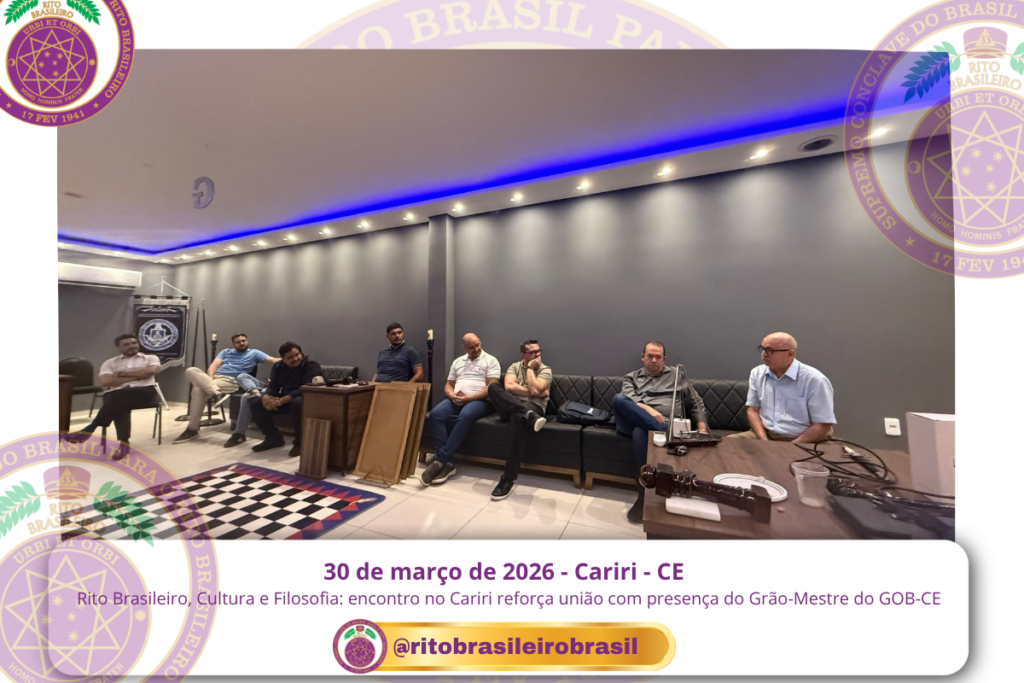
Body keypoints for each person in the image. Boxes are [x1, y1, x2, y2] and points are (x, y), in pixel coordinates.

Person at [613, 341, 709, 524]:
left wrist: (702, 426)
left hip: (662, 422)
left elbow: (695, 403)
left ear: (664, 359)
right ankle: (664, 431)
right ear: (643, 358)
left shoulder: (677, 376)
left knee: (640, 433)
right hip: (645, 420)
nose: (654, 360)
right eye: (650, 356)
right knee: (619, 399)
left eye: (658, 357)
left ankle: (644, 496)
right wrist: (648, 410)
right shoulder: (631, 378)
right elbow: (628, 401)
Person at [422, 334, 501, 486]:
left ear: (480, 342)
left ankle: (439, 460)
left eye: (477, 345)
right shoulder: (458, 362)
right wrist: (452, 395)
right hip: (456, 399)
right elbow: (449, 384)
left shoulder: (491, 360)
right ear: (464, 347)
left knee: (464, 416)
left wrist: (469, 398)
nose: (476, 349)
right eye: (471, 347)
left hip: (480, 401)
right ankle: (448, 463)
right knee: (435, 414)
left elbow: (492, 387)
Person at [67, 334, 162, 461]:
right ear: (118, 348)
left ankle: (91, 428)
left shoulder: (150, 358)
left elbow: (151, 371)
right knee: (121, 403)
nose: (132, 346)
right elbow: (105, 381)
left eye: (134, 343)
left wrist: (123, 374)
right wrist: (138, 376)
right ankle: (123, 444)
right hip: (117, 395)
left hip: (144, 392)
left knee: (119, 399)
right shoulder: (110, 362)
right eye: (126, 344)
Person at [730, 332, 836, 444]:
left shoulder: (815, 380)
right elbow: (753, 411)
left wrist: (789, 447)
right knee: (727, 444)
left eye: (770, 350)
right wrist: (764, 441)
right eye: (763, 348)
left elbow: (822, 425)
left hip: (805, 439)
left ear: (790, 354)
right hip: (766, 435)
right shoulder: (757, 373)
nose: (764, 354)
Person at [174, 334, 279, 444]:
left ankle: (192, 429)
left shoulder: (254, 353)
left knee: (197, 390)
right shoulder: (226, 352)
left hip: (233, 381)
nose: (241, 343)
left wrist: (287, 358)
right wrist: (210, 380)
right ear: (233, 344)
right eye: (238, 342)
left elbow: (273, 360)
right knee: (191, 370)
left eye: (243, 341)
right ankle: (213, 390)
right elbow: (213, 366)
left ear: (247, 341)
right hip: (216, 379)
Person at [486, 340, 552, 501]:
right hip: (511, 406)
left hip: (534, 407)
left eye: (539, 351)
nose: (537, 355)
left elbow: (535, 389)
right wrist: (536, 392)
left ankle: (507, 479)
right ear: (523, 354)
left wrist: (530, 369)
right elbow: (509, 387)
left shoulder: (545, 370)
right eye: (533, 352)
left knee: (518, 417)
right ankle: (527, 414)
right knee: (493, 387)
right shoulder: (514, 367)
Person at [249, 342, 324, 457]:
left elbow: (305, 388)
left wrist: (280, 401)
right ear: (283, 359)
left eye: (297, 355)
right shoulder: (278, 366)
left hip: (307, 398)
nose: (295, 359)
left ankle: (300, 443)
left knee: (297, 403)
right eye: (290, 357)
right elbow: (273, 386)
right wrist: (266, 397)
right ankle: (273, 438)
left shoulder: (311, 364)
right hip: (286, 398)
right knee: (256, 404)